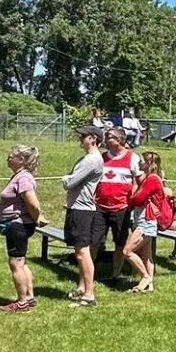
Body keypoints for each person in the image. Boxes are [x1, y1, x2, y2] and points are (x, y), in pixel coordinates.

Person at [0, 145, 45, 313]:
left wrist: (36, 217)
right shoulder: (19, 176)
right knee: (21, 262)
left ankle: (22, 302)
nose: (8, 158)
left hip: (18, 225)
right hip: (17, 224)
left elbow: (33, 204)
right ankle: (29, 297)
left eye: (11, 156)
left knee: (15, 263)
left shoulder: (23, 178)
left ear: (22, 160)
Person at [63, 127, 105, 307]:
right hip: (77, 208)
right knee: (80, 251)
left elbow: (70, 182)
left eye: (83, 136)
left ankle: (89, 295)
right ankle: (83, 289)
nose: (80, 138)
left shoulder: (92, 160)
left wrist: (65, 178)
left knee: (82, 252)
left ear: (93, 139)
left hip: (82, 210)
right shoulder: (86, 159)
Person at [95, 127, 141, 282]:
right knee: (94, 242)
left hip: (121, 208)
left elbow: (138, 181)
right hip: (100, 207)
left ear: (120, 140)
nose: (106, 139)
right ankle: (90, 272)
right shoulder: (101, 157)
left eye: (109, 137)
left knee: (120, 243)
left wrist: (132, 198)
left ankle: (115, 274)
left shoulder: (132, 158)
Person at [122, 150, 169, 293]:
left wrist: (132, 194)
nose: (138, 163)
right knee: (147, 256)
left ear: (149, 163)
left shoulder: (152, 179)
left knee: (127, 251)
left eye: (141, 161)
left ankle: (145, 276)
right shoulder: (148, 178)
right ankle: (150, 285)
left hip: (146, 221)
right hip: (143, 219)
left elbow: (137, 199)